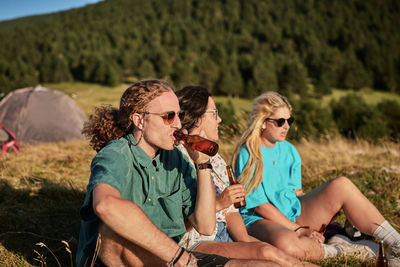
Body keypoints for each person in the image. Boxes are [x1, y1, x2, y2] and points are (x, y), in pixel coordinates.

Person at [76, 80, 284, 267]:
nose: (177, 123)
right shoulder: (116, 154)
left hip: (176, 260)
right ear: (139, 120)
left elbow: (204, 224)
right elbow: (106, 205)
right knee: (113, 232)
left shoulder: (175, 158)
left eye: (179, 115)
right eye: (168, 116)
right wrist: (178, 257)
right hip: (144, 258)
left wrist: (201, 164)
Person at [232, 91, 400, 266]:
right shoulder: (248, 153)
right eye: (280, 121)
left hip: (293, 213)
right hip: (259, 220)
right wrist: (297, 229)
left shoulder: (289, 151)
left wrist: (322, 212)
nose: (287, 126)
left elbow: (297, 193)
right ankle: (342, 250)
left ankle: (397, 244)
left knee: (341, 185)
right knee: (286, 244)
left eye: (290, 120)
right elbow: (260, 205)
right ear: (262, 123)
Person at [176, 86, 317, 267]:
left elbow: (231, 211)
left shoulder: (215, 157)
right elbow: (184, 223)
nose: (220, 119)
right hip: (197, 241)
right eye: (214, 114)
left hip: (225, 233)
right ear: (196, 118)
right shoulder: (177, 158)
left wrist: (245, 241)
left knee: (268, 250)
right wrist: (221, 202)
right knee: (267, 252)